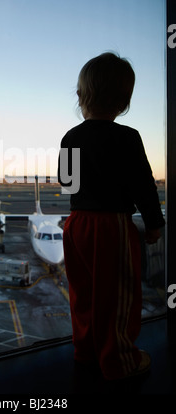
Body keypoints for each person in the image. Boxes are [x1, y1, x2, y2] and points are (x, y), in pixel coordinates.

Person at [58, 52, 165, 380]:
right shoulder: (127, 137)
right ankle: (119, 361)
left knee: (84, 293)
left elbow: (67, 185)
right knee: (117, 296)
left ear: (80, 96)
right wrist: (154, 224)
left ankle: (86, 352)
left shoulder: (70, 137)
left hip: (77, 225)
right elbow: (143, 186)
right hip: (112, 226)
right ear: (124, 101)